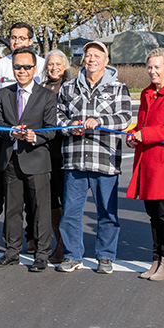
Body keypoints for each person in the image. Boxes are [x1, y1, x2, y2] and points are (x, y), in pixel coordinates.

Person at [55, 40, 133, 275]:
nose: (91, 59)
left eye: (97, 55)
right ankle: (72, 255)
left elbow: (125, 118)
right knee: (70, 212)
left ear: (106, 61)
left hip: (104, 160)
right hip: (75, 159)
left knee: (106, 213)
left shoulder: (118, 88)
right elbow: (58, 117)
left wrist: (99, 122)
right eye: (88, 55)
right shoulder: (69, 87)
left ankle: (106, 257)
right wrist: (70, 126)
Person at [0, 47, 59, 271]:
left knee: (40, 209)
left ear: (35, 68)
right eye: (17, 67)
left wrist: (34, 136)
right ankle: (12, 251)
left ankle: (42, 254)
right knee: (11, 208)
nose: (22, 71)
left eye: (26, 67)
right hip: (11, 159)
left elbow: (52, 129)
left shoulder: (47, 96)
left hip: (37, 160)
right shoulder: (4, 94)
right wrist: (11, 132)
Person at [125, 48, 164, 281]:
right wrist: (133, 135)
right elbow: (140, 123)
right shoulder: (146, 93)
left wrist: (145, 134)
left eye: (157, 67)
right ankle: (156, 258)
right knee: (152, 213)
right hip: (146, 161)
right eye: (150, 67)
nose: (152, 71)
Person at [0, 23, 47, 248]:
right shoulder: (0, 65)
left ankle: (31, 236)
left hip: (31, 138)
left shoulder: (40, 65)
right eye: (13, 38)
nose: (17, 42)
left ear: (30, 41)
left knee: (31, 191)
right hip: (2, 135)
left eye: (22, 38)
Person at [42, 49, 72, 262]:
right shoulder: (41, 88)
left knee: (68, 200)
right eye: (51, 64)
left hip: (66, 151)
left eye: (58, 64)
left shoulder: (72, 88)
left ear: (65, 67)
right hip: (45, 152)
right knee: (51, 201)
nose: (54, 68)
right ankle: (58, 240)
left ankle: (67, 245)